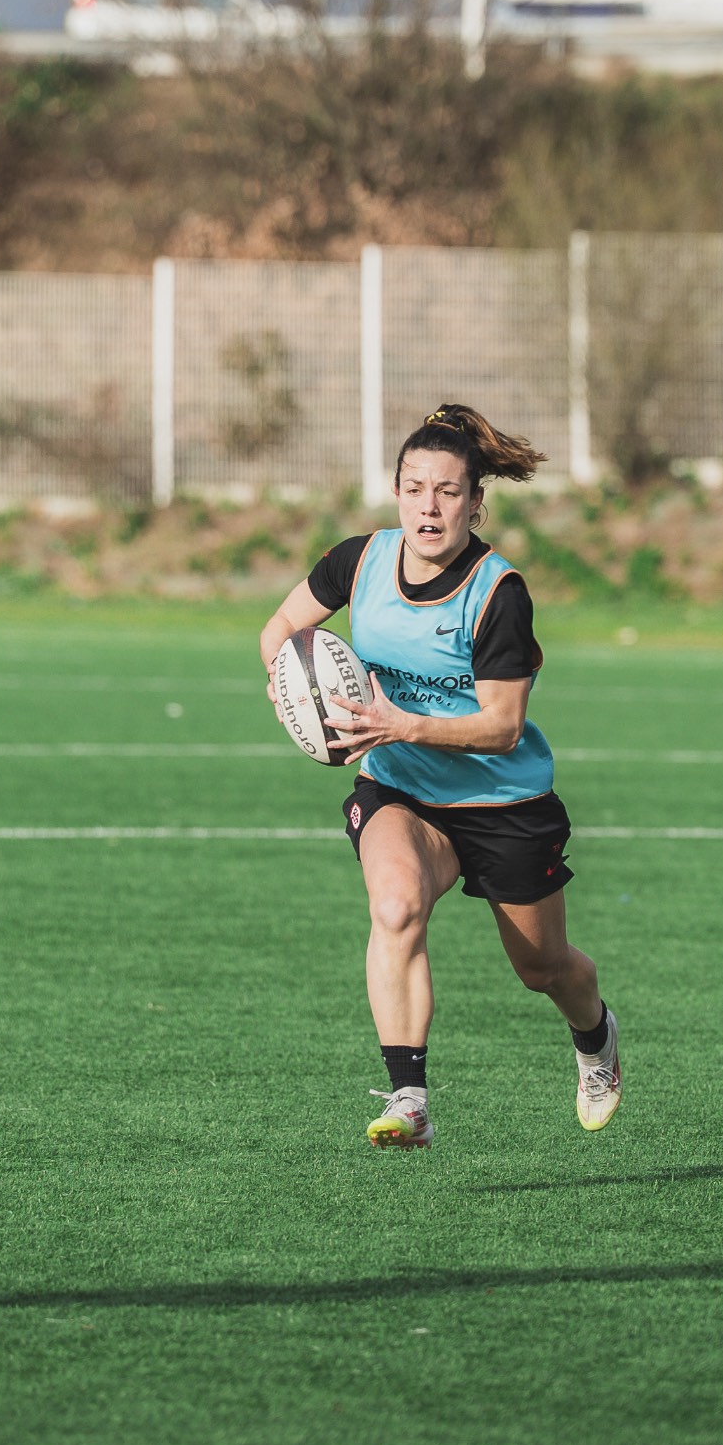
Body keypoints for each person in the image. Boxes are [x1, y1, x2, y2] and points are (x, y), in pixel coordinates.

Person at [259, 404, 618, 1150]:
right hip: (401, 789)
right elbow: (282, 630)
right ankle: (410, 1097)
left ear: (475, 503)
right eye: (415, 487)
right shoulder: (358, 561)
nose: (429, 505)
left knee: (543, 968)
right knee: (394, 906)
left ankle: (595, 1036)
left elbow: (503, 725)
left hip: (503, 799)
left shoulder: (497, 593)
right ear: (396, 493)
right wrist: (284, 683)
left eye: (448, 491)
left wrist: (401, 724)